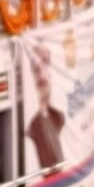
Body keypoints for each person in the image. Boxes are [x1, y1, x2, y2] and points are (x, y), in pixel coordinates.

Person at [26, 42, 65, 171]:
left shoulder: (59, 118)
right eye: (34, 67)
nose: (40, 71)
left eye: (45, 62)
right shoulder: (32, 128)